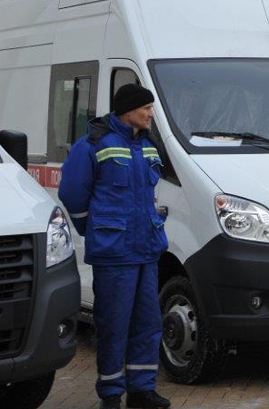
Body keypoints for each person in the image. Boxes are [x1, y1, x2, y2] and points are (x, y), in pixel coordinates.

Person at [59, 84, 172, 409]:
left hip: (146, 251)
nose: (151, 114)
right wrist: (94, 227)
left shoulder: (148, 146)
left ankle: (141, 390)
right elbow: (72, 194)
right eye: (146, 108)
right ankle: (110, 394)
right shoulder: (94, 144)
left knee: (148, 324)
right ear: (128, 110)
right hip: (114, 253)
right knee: (113, 325)